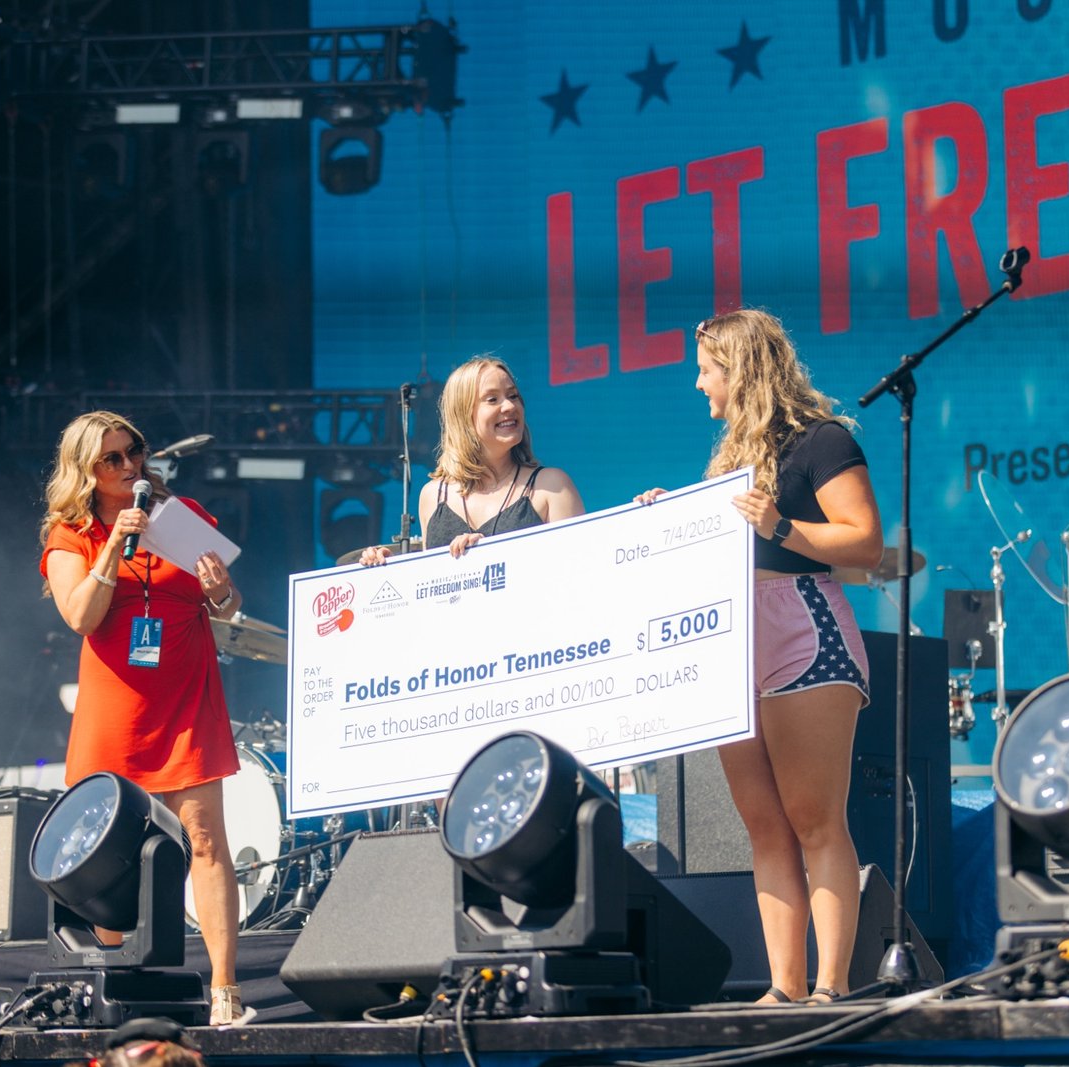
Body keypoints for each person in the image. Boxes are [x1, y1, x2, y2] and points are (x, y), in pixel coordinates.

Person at [638, 309, 883, 1006]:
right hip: (733, 643)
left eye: (706, 370)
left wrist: (779, 525)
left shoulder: (822, 440)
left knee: (814, 817)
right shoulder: (731, 462)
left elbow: (865, 542)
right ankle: (784, 987)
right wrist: (672, 518)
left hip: (803, 630)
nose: (698, 384)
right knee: (765, 826)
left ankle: (832, 985)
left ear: (740, 370)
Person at [38, 410, 246, 1025]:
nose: (130, 466)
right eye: (113, 459)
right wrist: (112, 545)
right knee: (111, 853)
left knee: (205, 841)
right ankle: (120, 985)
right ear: (86, 470)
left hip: (186, 700)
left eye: (134, 452)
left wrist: (220, 590)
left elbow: (228, 607)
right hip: (118, 709)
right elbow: (81, 616)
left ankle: (225, 990)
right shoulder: (71, 534)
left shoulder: (181, 515)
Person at [359, 356, 583, 563]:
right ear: (463, 414)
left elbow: (579, 571)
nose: (509, 406)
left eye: (513, 396)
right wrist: (392, 566)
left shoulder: (552, 487)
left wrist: (486, 555)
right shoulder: (433, 495)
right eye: (492, 399)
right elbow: (430, 582)